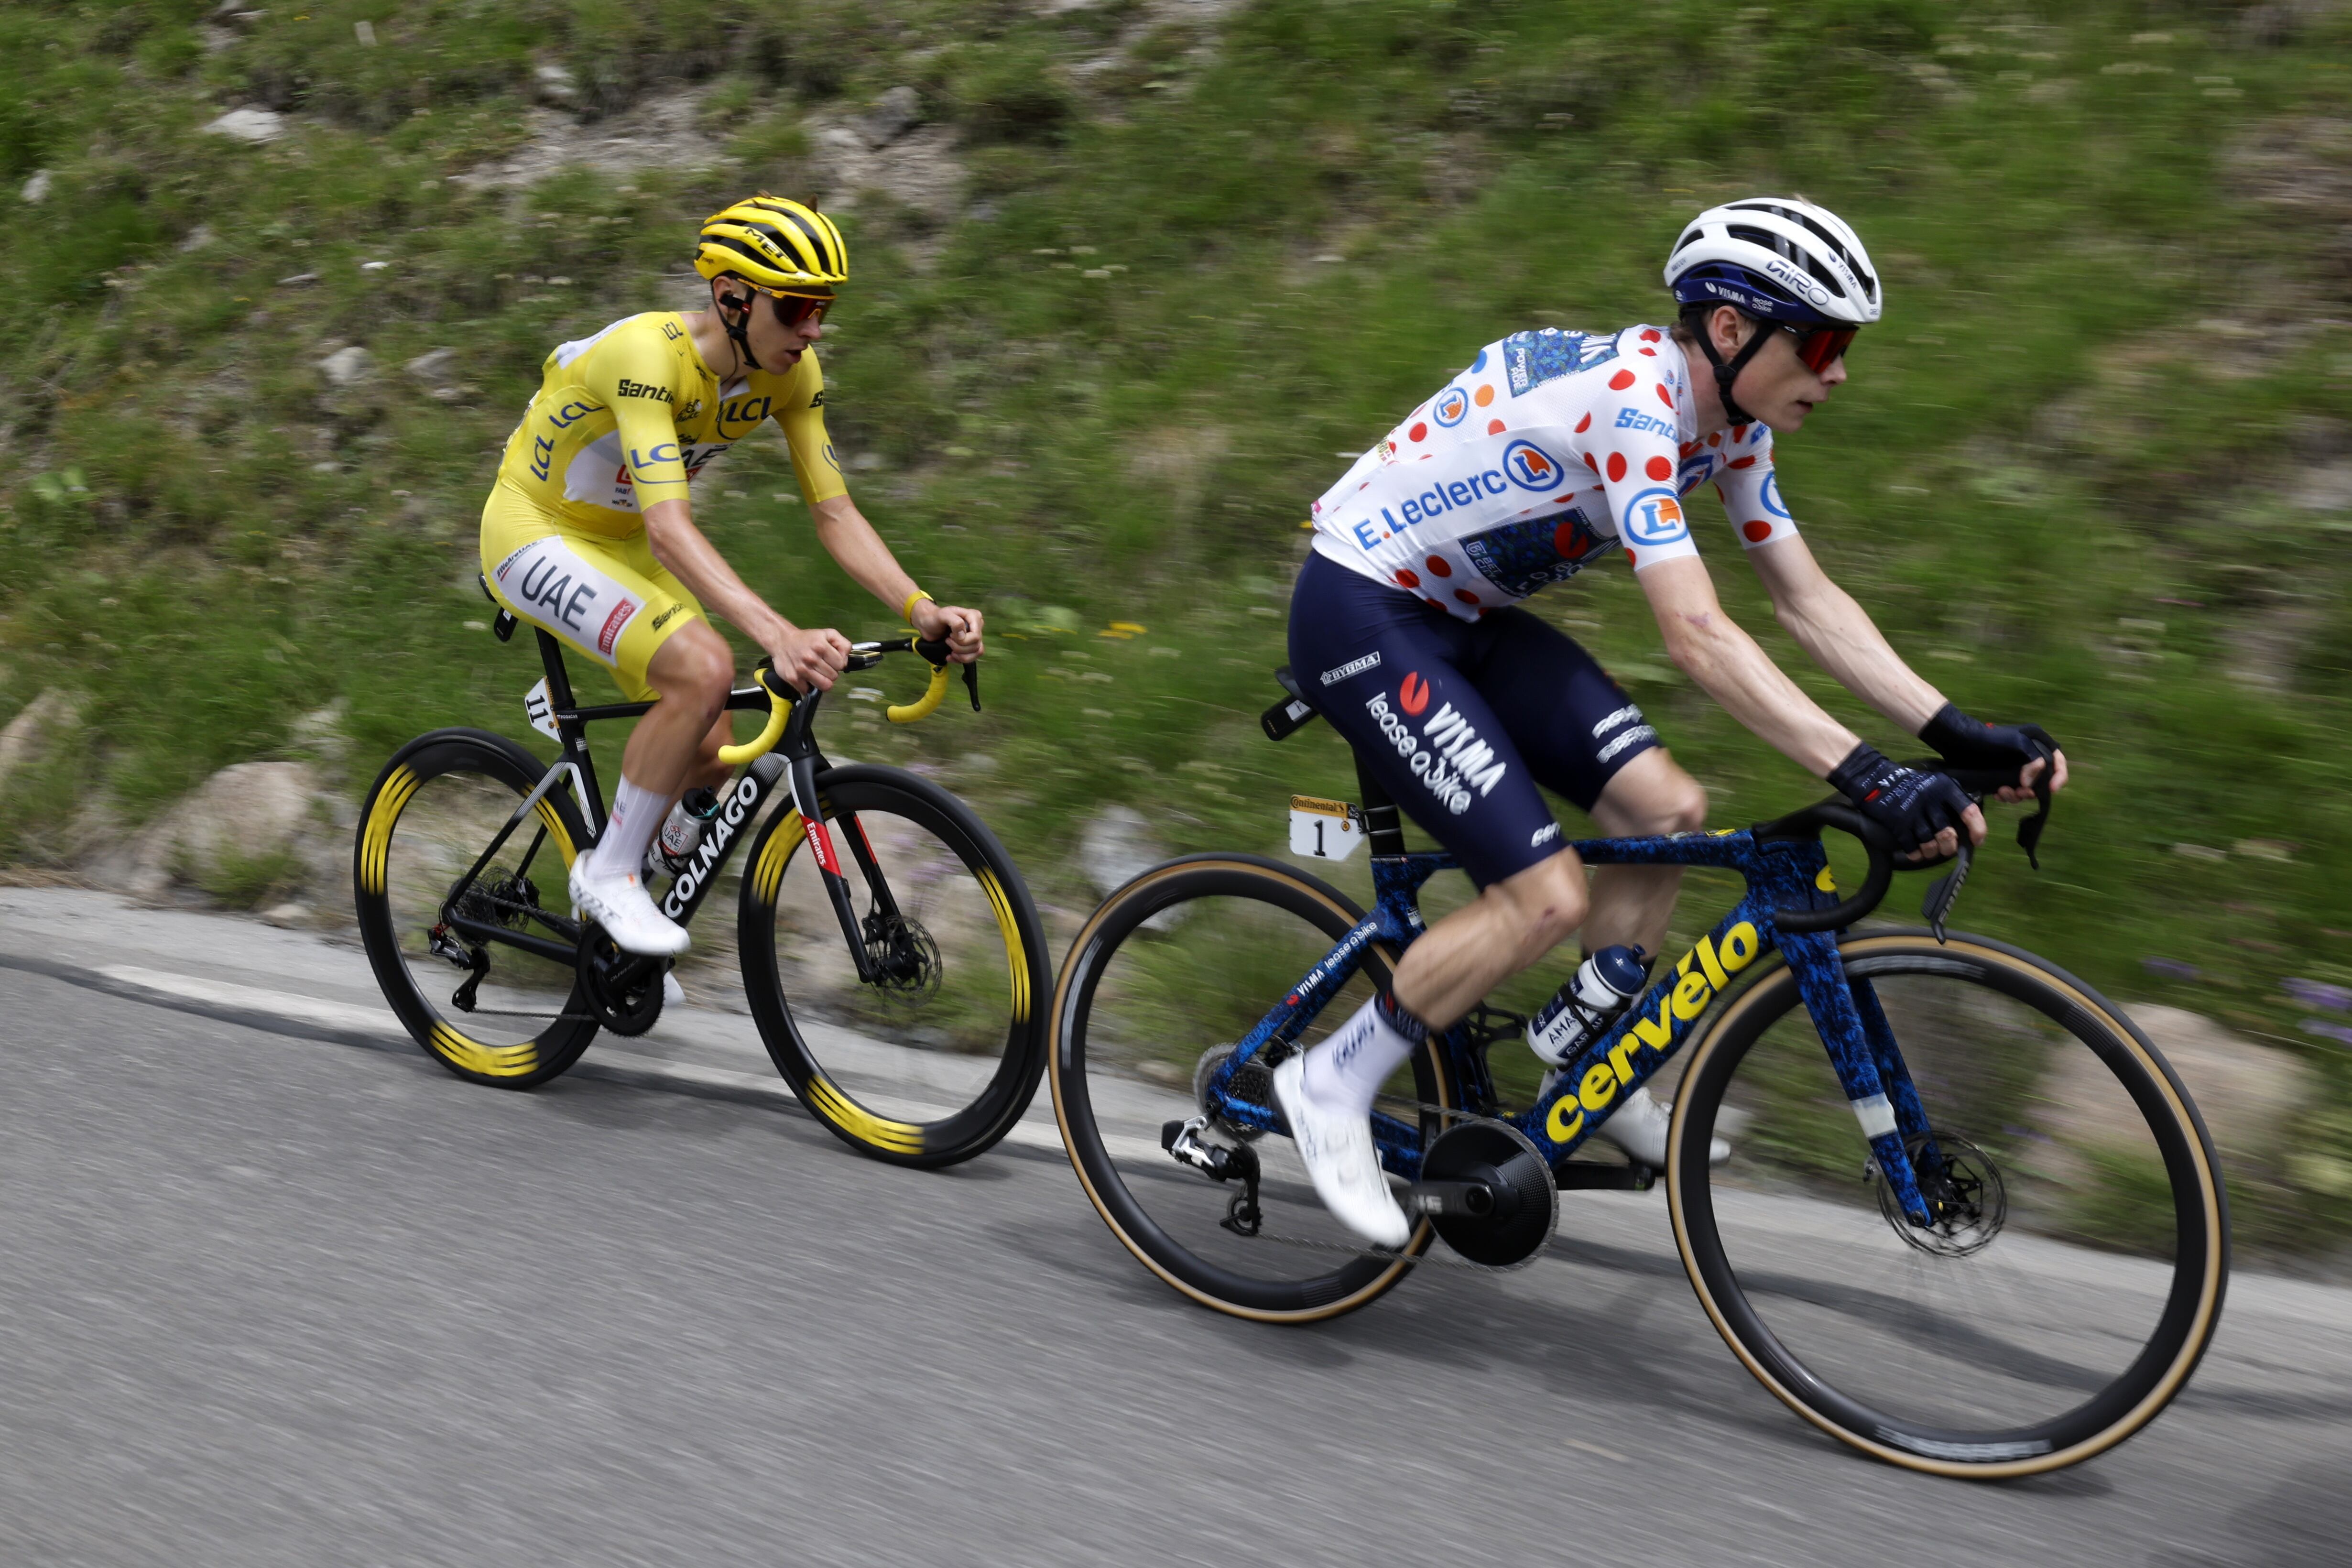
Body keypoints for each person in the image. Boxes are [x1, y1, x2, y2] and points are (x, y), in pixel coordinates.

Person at [1277, 196, 2067, 1247]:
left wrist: (1956, 731)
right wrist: (1868, 772)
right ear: (1733, 329)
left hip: (1461, 617)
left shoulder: (1730, 425)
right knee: (1543, 895)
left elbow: (1806, 598)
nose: (1838, 373)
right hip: (1363, 609)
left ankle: (1594, 1059)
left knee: (1668, 806)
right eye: (1824, 343)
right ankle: (1330, 1080)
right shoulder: (1636, 401)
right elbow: (1696, 633)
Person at [480, 195, 983, 957]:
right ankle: (607, 876)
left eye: (824, 309)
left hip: (622, 548)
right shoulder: (650, 359)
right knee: (707, 666)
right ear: (733, 299)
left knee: (714, 754)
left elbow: (836, 513)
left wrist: (921, 608)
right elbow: (670, 526)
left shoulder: (791, 374)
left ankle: (613, 937)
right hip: (534, 532)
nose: (814, 329)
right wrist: (777, 633)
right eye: (797, 308)